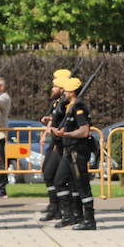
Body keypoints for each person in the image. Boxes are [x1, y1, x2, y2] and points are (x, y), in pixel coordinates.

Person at [51, 77, 97, 230]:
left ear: (72, 91)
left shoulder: (79, 107)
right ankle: (70, 216)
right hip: (68, 151)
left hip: (78, 151)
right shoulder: (69, 106)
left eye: (65, 90)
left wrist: (66, 134)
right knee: (60, 181)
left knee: (82, 185)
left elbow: (84, 131)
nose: (63, 92)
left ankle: (89, 220)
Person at [37, 69, 72, 222]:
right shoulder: (58, 103)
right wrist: (46, 131)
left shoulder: (66, 104)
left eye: (55, 86)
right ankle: (55, 205)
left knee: (53, 175)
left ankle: (60, 208)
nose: (52, 89)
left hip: (61, 144)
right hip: (54, 142)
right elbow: (54, 119)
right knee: (48, 172)